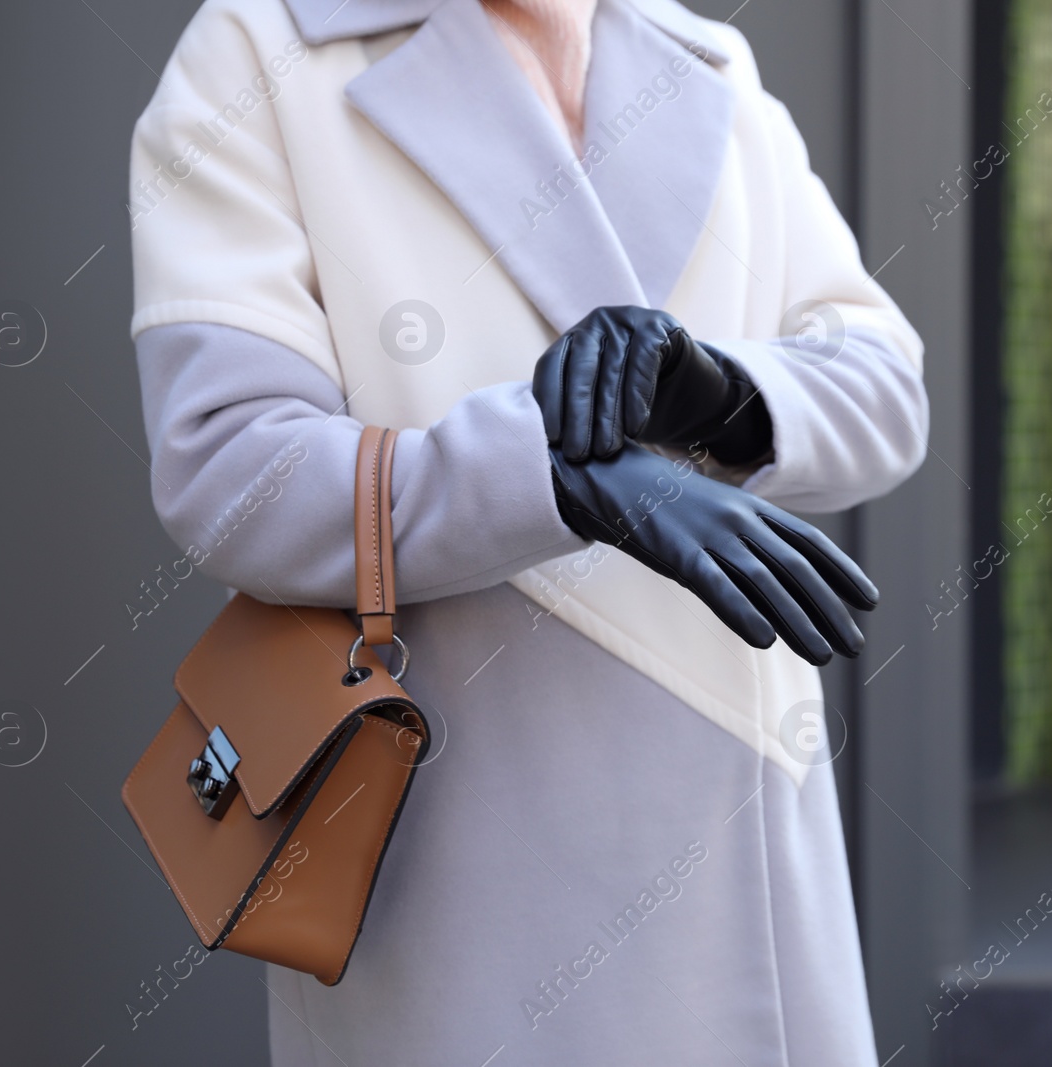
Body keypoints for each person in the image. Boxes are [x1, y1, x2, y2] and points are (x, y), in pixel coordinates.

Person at [128, 0, 929, 1062]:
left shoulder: (706, 61)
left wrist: (720, 391)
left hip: (741, 843)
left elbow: (886, 387)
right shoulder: (260, 48)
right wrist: (542, 477)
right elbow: (231, 470)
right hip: (456, 853)